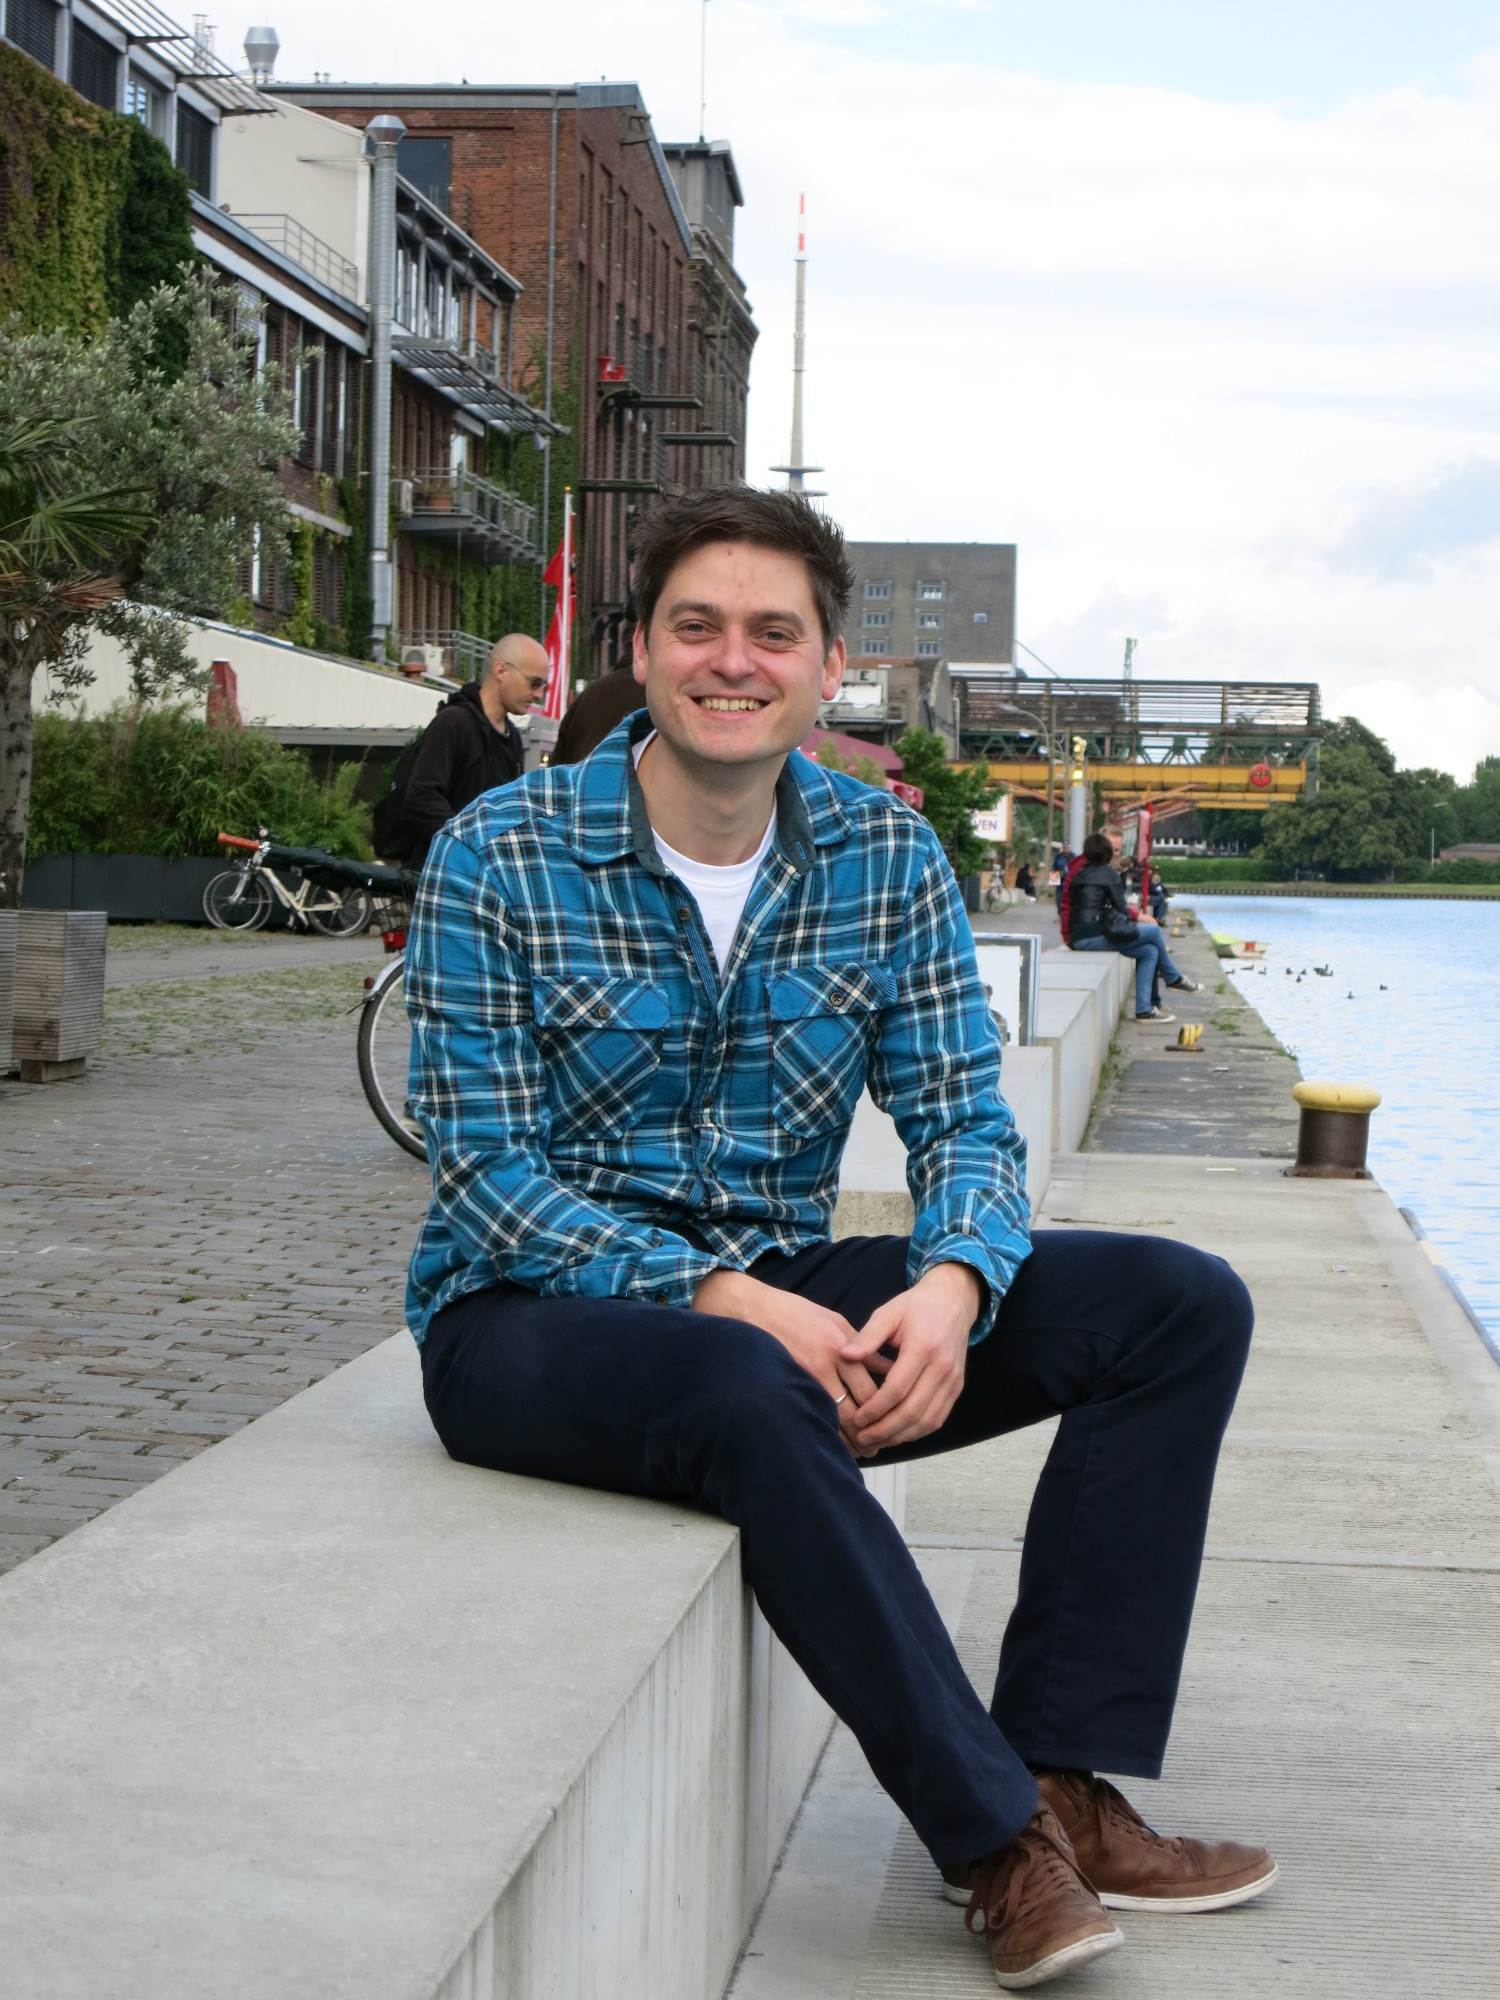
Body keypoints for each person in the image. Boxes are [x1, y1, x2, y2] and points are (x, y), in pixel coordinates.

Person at [404, 489, 1274, 1991]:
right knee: (750, 1379)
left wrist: (953, 1280)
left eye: (772, 632)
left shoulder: (885, 853)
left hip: (781, 1292)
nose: (732, 660)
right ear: (642, 650)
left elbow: (965, 1120)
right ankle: (996, 1842)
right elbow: (485, 1174)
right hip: (524, 1317)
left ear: (826, 668)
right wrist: (718, 1295)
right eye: (697, 626)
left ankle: (1061, 1771)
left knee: (1178, 1303)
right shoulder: (502, 850)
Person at [391, 633, 549, 866]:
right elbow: (421, 796)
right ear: (501, 671)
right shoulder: (454, 722)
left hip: (483, 877)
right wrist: (470, 845)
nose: (539, 694)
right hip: (444, 875)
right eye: (534, 682)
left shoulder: (513, 738)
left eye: (544, 685)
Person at [1069, 832, 1196, 1021]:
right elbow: (1123, 910)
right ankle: (1173, 978)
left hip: (1078, 937)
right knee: (1153, 931)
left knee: (1149, 951)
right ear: (1107, 854)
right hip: (1094, 936)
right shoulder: (1109, 874)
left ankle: (1144, 1009)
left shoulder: (1079, 874)